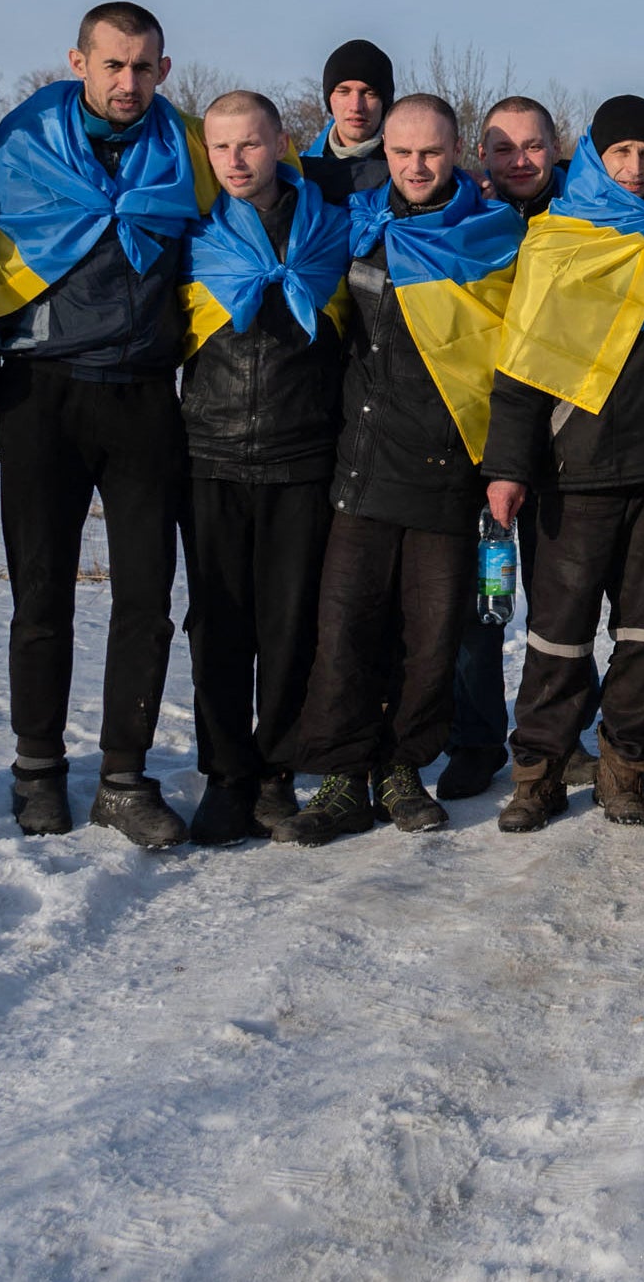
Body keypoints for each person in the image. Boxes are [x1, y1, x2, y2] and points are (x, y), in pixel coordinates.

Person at [0, 2, 207, 848]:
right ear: (78, 61)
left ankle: (123, 777)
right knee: (42, 593)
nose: (127, 82)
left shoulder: (187, 150)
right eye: (112, 64)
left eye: (143, 67)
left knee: (146, 596)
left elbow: (263, 198)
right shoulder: (23, 145)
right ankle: (37, 768)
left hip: (144, 395)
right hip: (43, 393)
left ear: (164, 70)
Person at [486, 95, 644, 831]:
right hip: (578, 467)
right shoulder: (557, 237)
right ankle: (537, 768)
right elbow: (521, 365)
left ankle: (625, 762)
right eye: (620, 153)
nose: (635, 167)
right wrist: (509, 466)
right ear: (594, 157)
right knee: (557, 634)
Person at [272, 96, 523, 843]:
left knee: (433, 633)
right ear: (386, 152)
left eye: (433, 153)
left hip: (450, 467)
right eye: (403, 153)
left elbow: (514, 364)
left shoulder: (492, 236)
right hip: (361, 464)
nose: (417, 167)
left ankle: (404, 764)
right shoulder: (357, 225)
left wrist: (504, 466)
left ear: (459, 155)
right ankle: (346, 774)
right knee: (346, 626)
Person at [177, 91, 351, 845]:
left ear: (282, 142)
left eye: (251, 144)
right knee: (218, 623)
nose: (237, 161)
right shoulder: (189, 231)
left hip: (300, 453)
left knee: (289, 625)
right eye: (221, 148)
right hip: (209, 453)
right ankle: (226, 773)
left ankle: (277, 769)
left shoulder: (332, 230)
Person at [436, 92, 568, 803]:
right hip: (472, 431)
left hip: (563, 439)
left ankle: (561, 733)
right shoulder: (464, 218)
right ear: (479, 156)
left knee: (558, 602)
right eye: (502, 147)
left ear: (556, 147)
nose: (518, 160)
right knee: (478, 599)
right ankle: (477, 735)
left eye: (532, 145)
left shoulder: (588, 215)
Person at [303, 39, 394, 204]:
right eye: (343, 92)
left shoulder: (408, 172)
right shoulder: (297, 173)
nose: (356, 106)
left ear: (384, 102)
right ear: (329, 99)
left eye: (369, 93)